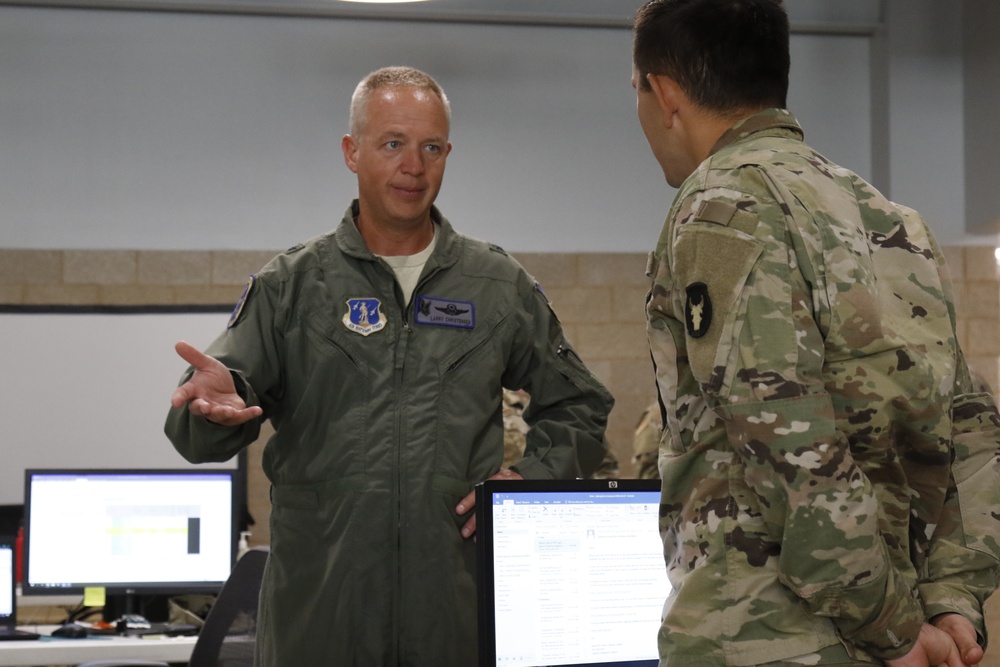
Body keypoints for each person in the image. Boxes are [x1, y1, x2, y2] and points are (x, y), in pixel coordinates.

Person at [165, 66, 614, 666]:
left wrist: (529, 482)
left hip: (454, 620)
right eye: (393, 144)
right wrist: (210, 411)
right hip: (319, 624)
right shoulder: (292, 287)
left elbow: (581, 404)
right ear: (353, 152)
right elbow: (200, 429)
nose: (414, 166)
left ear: (448, 154)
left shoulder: (496, 285)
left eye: (431, 147)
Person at [631, 2, 1000, 666]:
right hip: (906, 633)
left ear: (663, 93)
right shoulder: (891, 220)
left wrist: (893, 627)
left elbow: (785, 439)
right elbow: (969, 426)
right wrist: (951, 602)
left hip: (766, 638)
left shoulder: (719, 205)